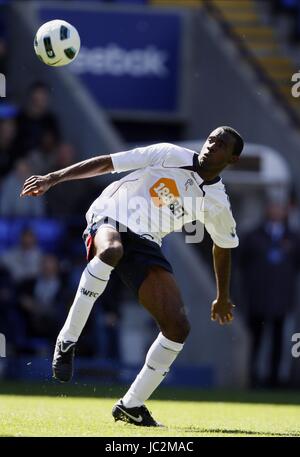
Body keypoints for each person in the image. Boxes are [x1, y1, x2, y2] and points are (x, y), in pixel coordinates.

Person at [21, 126, 243, 427]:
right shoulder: (169, 153)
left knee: (178, 326)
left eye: (221, 145)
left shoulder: (217, 202)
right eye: (211, 139)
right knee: (111, 251)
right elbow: (108, 162)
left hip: (147, 240)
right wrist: (53, 178)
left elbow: (223, 246)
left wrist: (222, 296)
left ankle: (132, 405)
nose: (211, 146)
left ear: (232, 159)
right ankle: (68, 338)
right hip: (111, 214)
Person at [239, 202, 300, 388]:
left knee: (279, 340)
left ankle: (275, 379)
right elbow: (241, 263)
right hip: (258, 297)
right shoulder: (253, 235)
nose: (276, 211)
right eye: (273, 207)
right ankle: (252, 376)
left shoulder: (294, 237)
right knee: (255, 339)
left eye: (280, 208)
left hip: (282, 298)